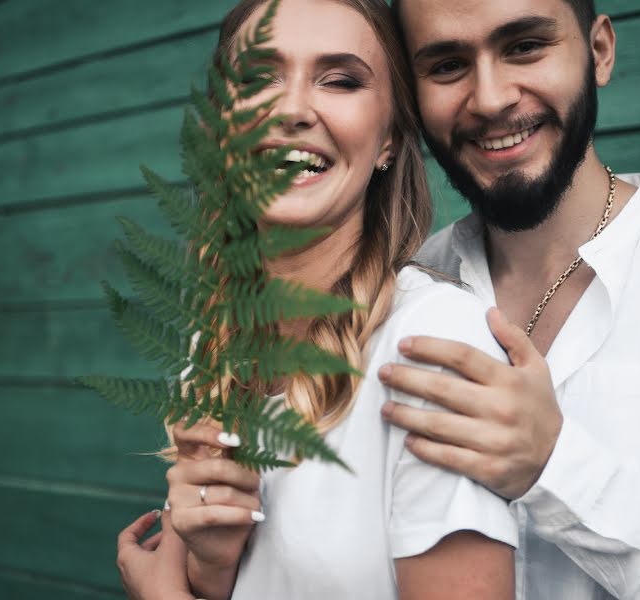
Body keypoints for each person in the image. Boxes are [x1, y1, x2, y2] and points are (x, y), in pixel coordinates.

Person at [376, 0, 640, 597]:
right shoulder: (402, 296)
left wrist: (557, 469)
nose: (491, 98)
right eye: (447, 65)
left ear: (599, 51)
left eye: (524, 46)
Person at [115, 0, 518, 598]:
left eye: (341, 80)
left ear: (389, 140)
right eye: (257, 78)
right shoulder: (214, 344)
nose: (293, 109)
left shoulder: (432, 346)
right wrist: (212, 566)